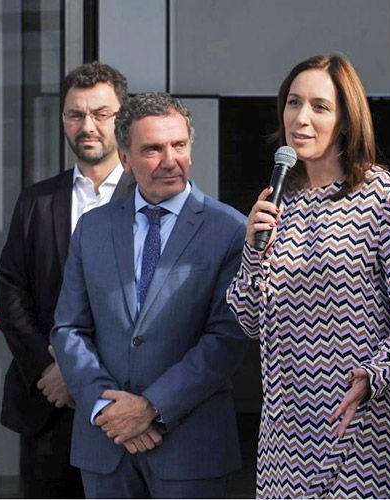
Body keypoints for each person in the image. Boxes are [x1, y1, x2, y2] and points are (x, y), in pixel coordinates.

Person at [227, 53, 390, 498]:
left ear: (344, 120)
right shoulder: (280, 200)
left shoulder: (383, 196)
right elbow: (247, 320)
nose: (301, 118)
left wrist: (375, 373)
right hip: (287, 439)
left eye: (319, 106)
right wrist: (251, 249)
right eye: (293, 103)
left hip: (364, 428)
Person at [50, 92, 248, 498]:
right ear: (125, 158)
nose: (170, 160)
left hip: (191, 448)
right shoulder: (93, 228)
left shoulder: (230, 230)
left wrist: (151, 408)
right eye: (153, 149)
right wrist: (106, 409)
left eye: (179, 145)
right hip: (107, 445)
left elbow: (226, 338)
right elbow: (69, 328)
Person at [0, 61, 135, 498]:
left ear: (123, 119)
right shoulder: (37, 200)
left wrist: (88, 380)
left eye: (101, 113)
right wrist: (49, 369)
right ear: (62, 121)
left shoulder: (149, 198)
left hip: (124, 405)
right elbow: (12, 292)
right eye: (75, 114)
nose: (87, 125)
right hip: (48, 404)